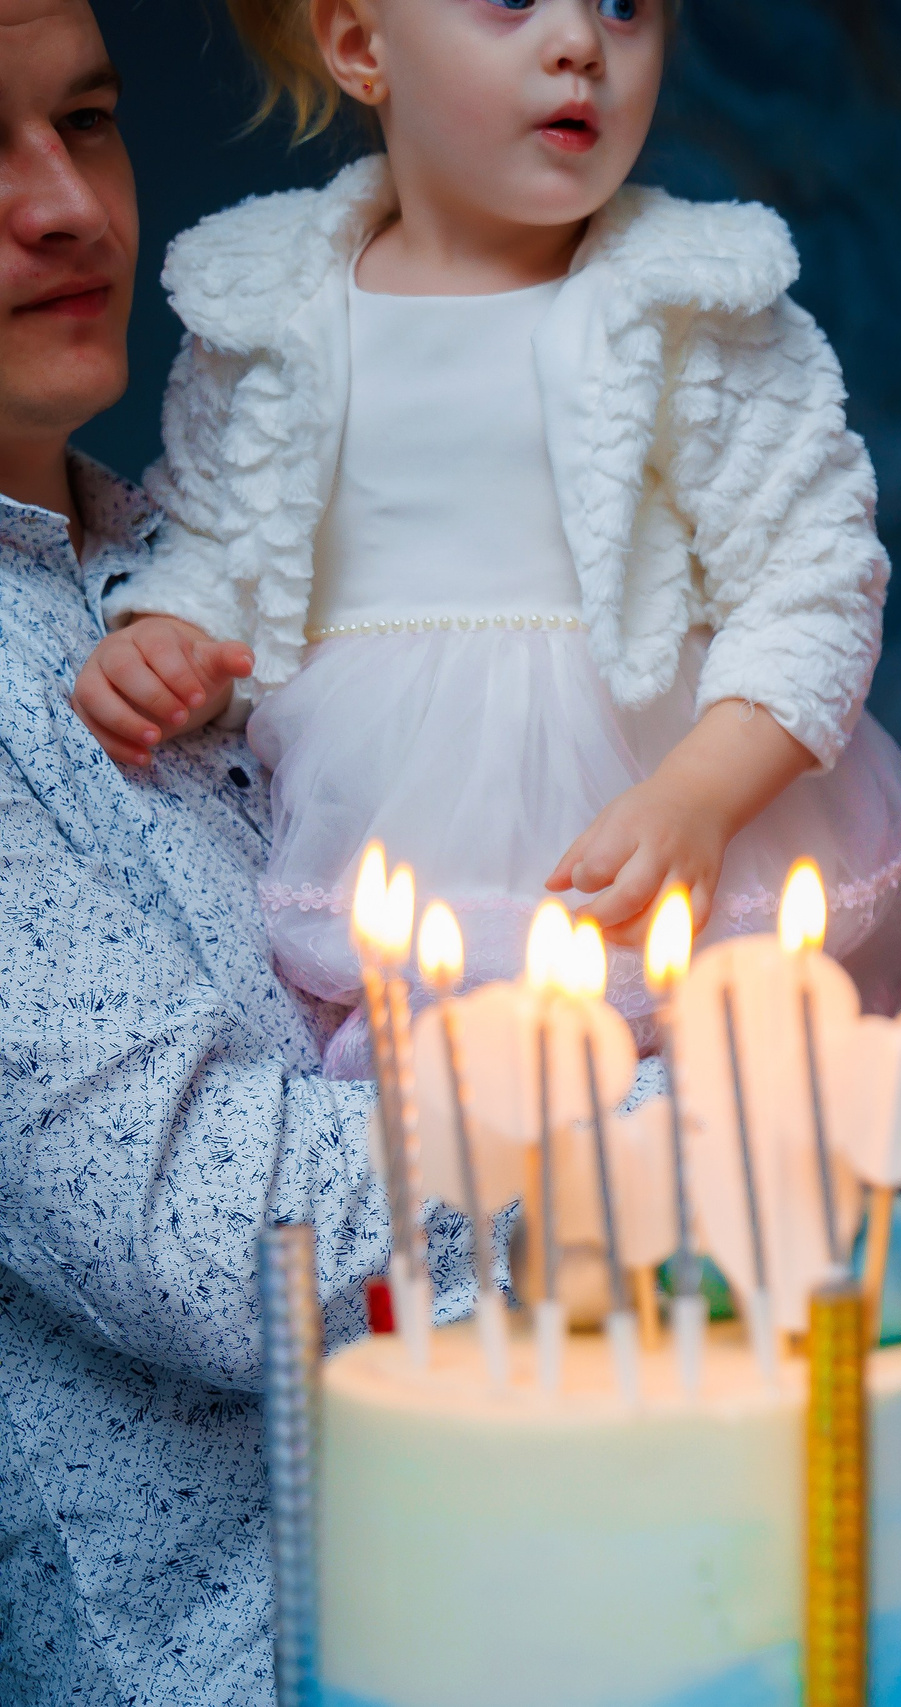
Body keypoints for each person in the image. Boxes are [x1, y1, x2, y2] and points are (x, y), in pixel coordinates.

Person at [72, 0, 901, 1048]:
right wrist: (166, 635)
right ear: (360, 44)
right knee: (433, 1141)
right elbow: (214, 537)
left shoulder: (693, 306)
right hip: (387, 836)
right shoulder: (272, 307)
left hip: (642, 819)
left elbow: (816, 577)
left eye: (624, 6)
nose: (579, 41)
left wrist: (701, 795)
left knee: (684, 1138)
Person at [0, 5, 469, 1699]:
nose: (67, 206)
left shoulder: (198, 549)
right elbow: (220, 1222)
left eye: (89, 118)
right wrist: (680, 1118)